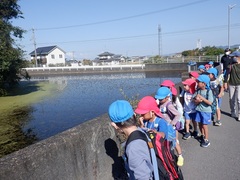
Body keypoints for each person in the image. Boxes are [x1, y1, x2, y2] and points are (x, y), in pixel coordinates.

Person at [108, 100, 154, 179]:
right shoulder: (142, 132)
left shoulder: (133, 148)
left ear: (114, 125)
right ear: (134, 115)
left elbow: (143, 177)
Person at [155, 87, 184, 166]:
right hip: (164, 127)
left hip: (170, 127)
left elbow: (178, 114)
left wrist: (172, 123)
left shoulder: (168, 105)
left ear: (167, 97)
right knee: (166, 142)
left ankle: (180, 156)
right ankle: (169, 156)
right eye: (159, 99)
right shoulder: (160, 104)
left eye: (161, 99)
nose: (159, 100)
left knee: (174, 142)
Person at [193, 75, 213, 148]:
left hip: (206, 111)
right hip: (199, 110)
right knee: (200, 124)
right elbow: (194, 99)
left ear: (204, 83)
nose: (197, 83)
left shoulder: (209, 91)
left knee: (204, 125)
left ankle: (206, 139)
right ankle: (203, 135)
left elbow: (210, 102)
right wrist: (197, 100)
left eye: (199, 82)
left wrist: (201, 98)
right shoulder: (198, 90)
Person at [224, 51, 240, 121]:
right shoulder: (230, 65)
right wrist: (225, 82)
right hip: (231, 84)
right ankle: (233, 112)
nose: (232, 58)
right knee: (231, 99)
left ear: (237, 57)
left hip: (239, 84)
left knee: (239, 100)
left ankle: (239, 114)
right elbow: (226, 74)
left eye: (233, 57)